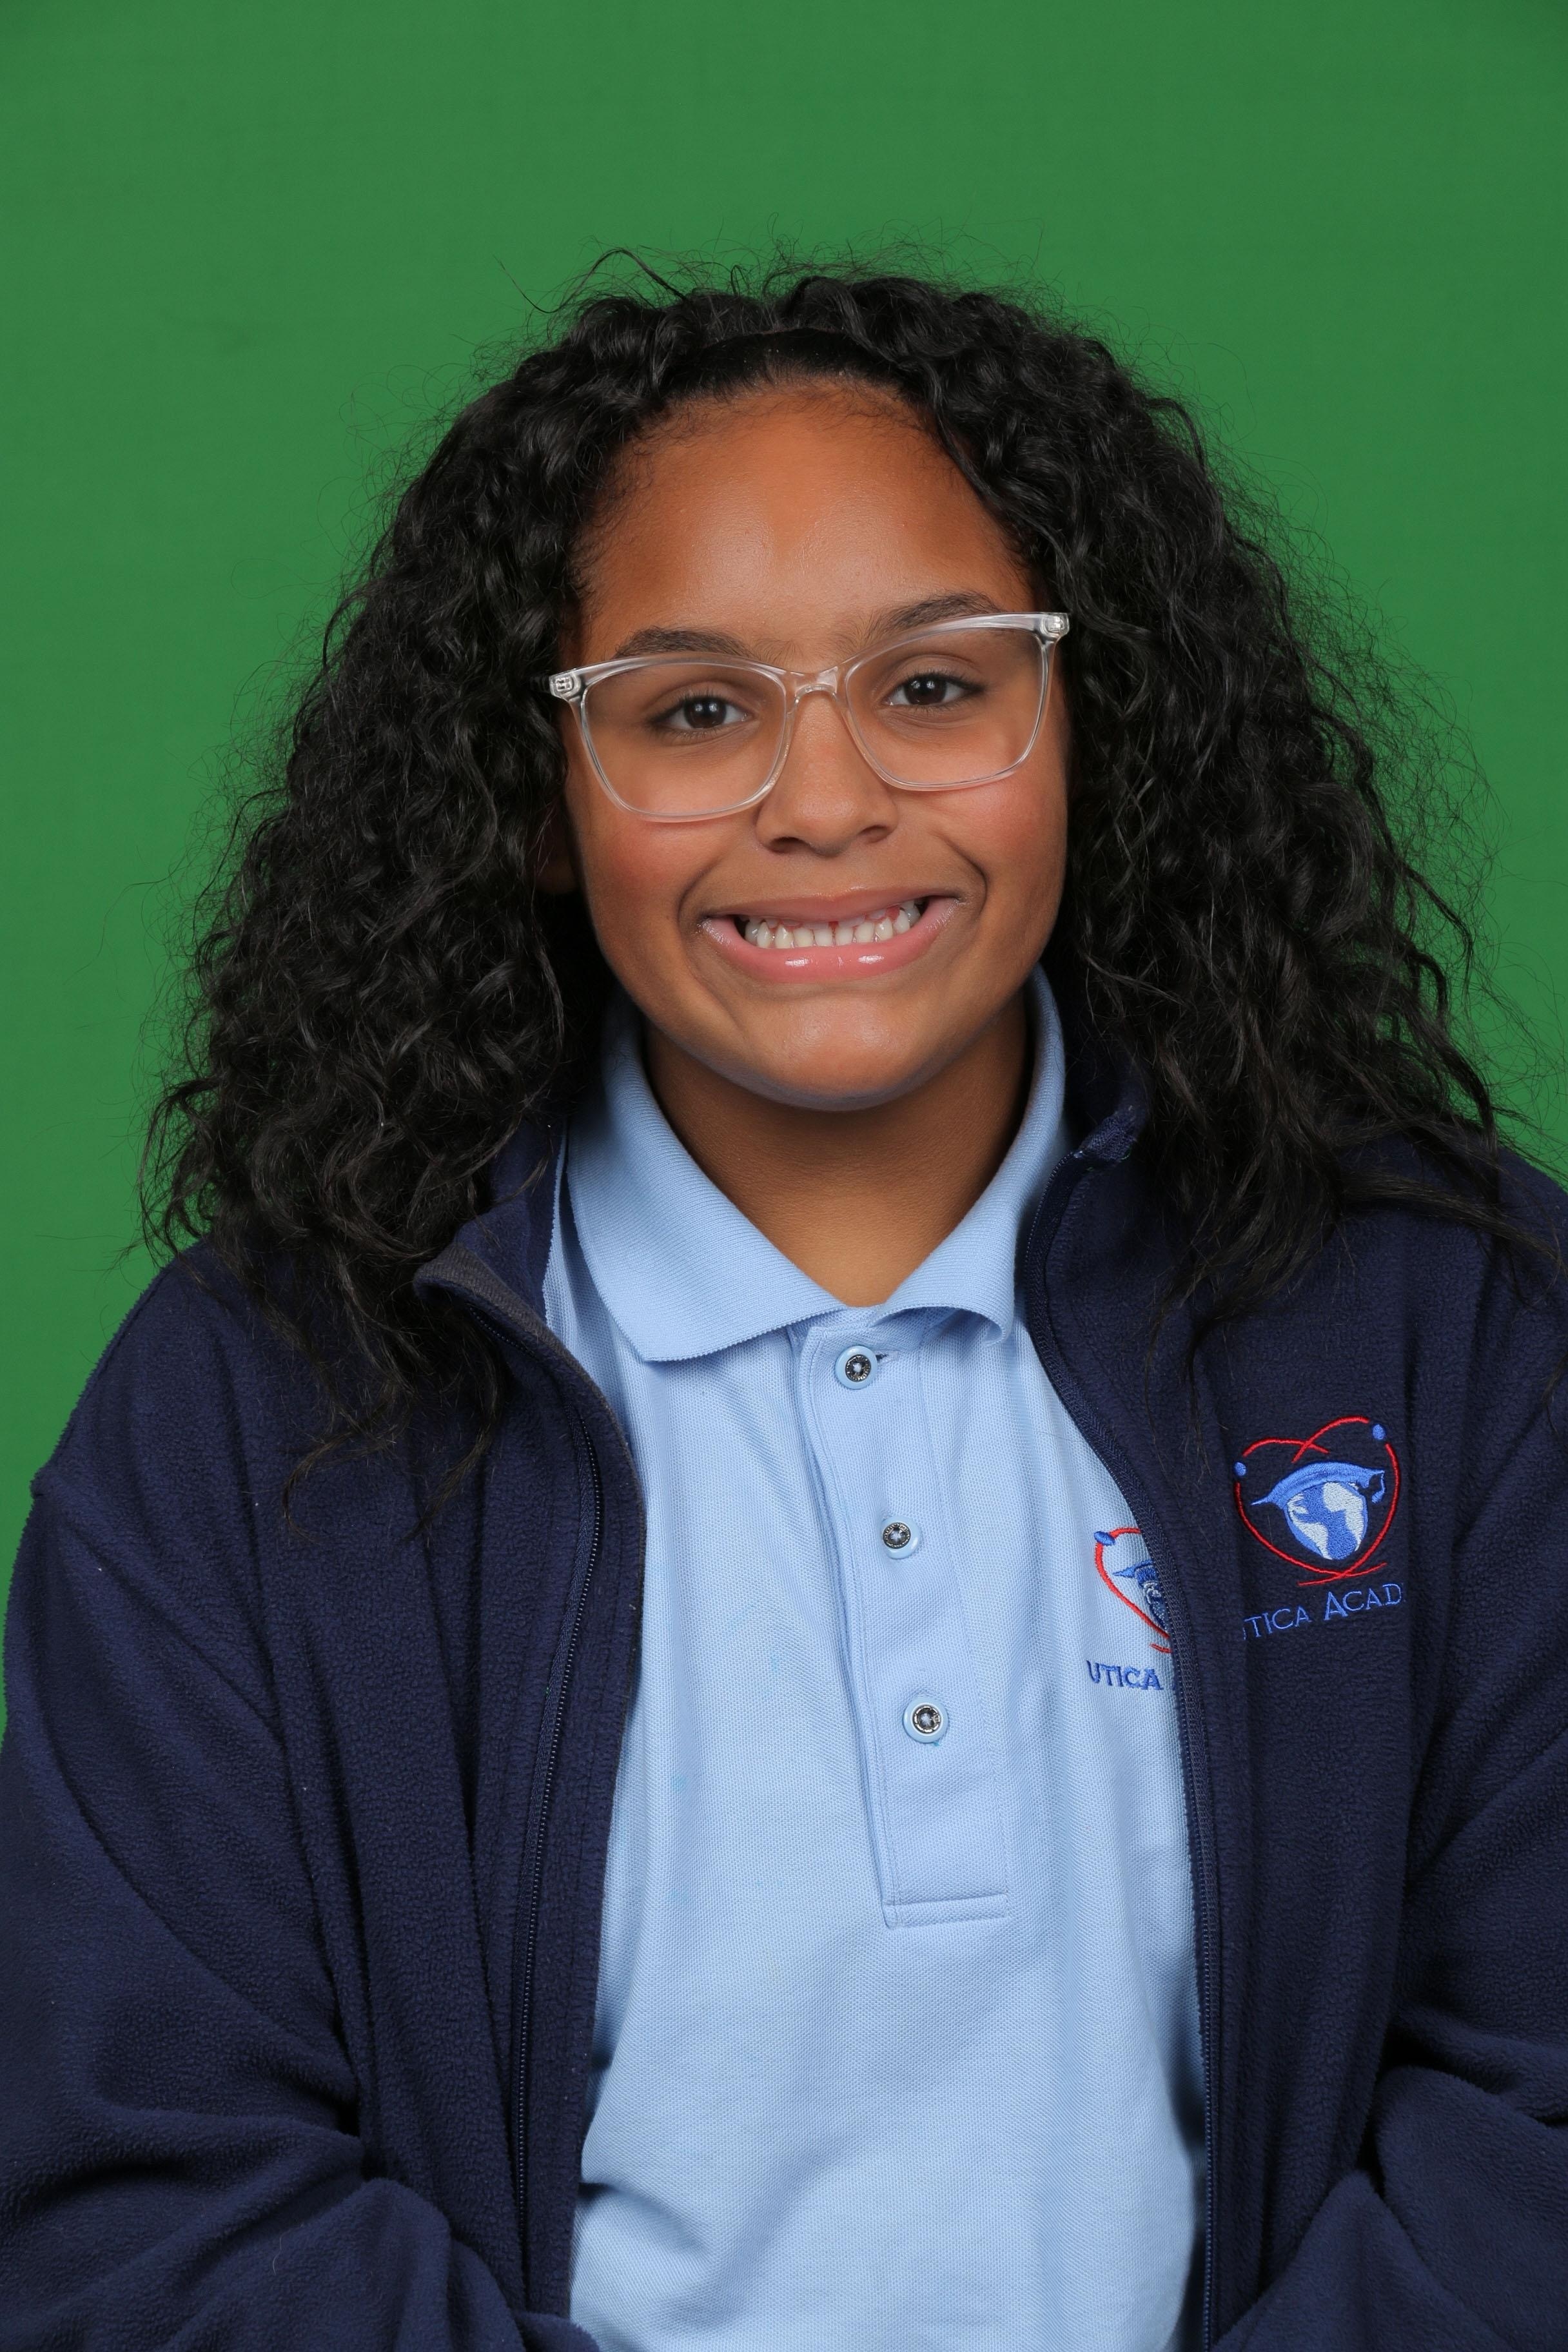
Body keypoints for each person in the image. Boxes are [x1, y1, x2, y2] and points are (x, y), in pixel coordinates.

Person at [1, 263, 1564, 2352]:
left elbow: (1536, 2125)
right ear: (538, 798)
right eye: (695, 711)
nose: (824, 804)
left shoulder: (1448, 1325)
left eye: (937, 685)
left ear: (1089, 729)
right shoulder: (256, 1408)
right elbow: (152, 2207)